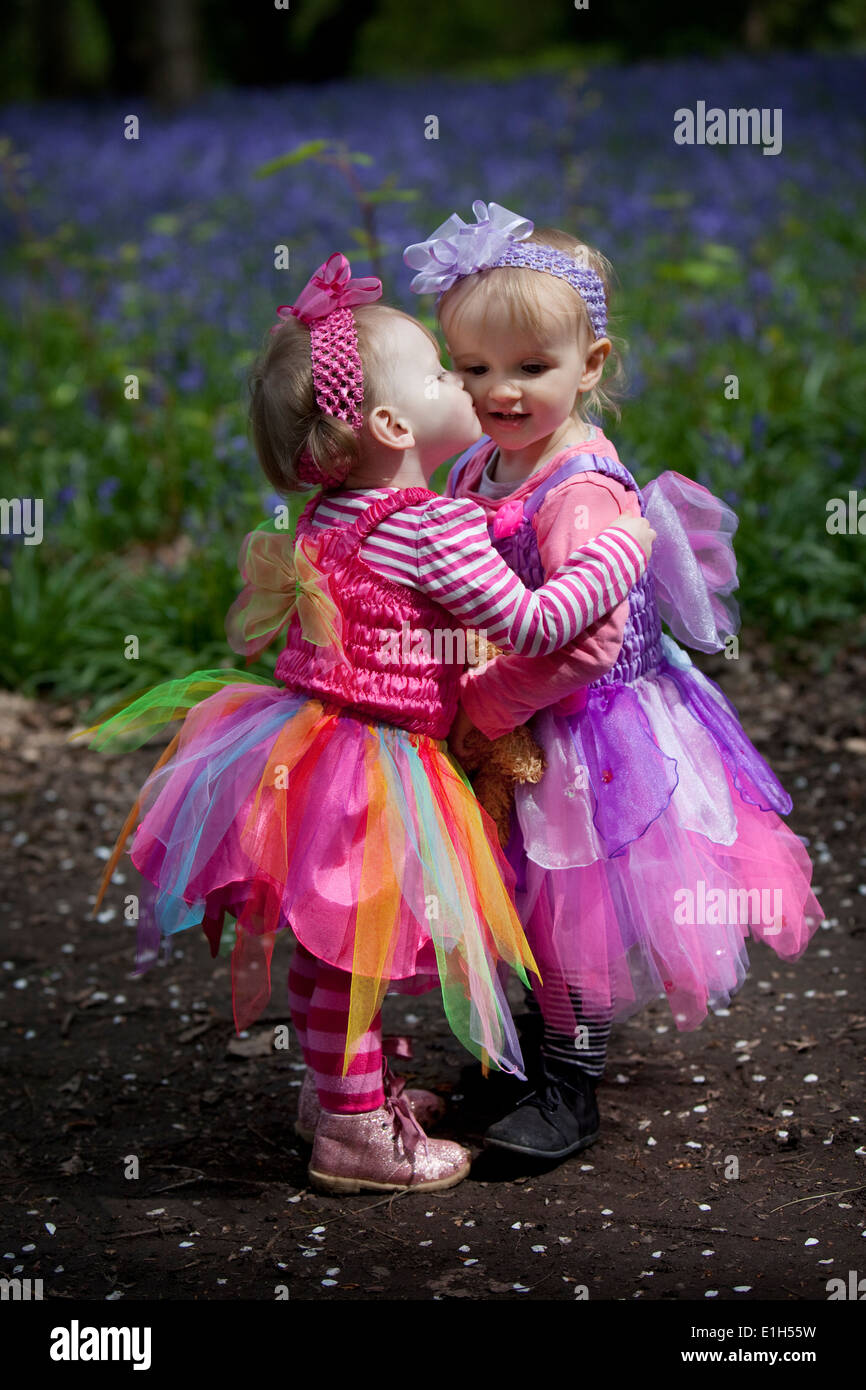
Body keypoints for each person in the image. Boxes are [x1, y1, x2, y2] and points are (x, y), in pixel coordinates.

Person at [76, 251, 654, 1194]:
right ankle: (352, 1131)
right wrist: (624, 557)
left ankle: (336, 1093)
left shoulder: (335, 511)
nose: (472, 388)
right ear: (391, 423)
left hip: (306, 743)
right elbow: (537, 624)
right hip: (382, 756)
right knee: (358, 952)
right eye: (450, 372)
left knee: (327, 936)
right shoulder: (430, 522)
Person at [403, 201, 824, 1162]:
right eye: (473, 369)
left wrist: (482, 705)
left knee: (568, 913)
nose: (498, 391)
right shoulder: (482, 460)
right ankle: (517, 1058)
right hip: (504, 713)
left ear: (590, 365)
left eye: (530, 368)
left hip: (578, 730)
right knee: (510, 894)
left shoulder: (583, 490)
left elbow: (581, 645)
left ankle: (570, 1087)